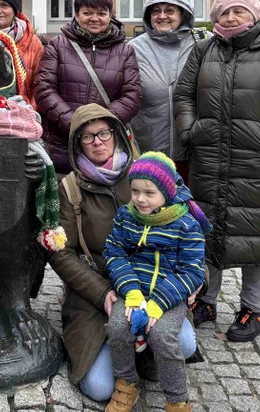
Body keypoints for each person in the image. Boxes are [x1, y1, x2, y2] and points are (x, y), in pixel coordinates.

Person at [174, 0, 260, 342]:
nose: (231, 19)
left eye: (238, 12)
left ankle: (253, 309)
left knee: (256, 236)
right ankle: (206, 300)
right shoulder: (203, 50)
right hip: (210, 158)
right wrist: (190, 130)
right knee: (207, 230)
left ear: (254, 16)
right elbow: (183, 94)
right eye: (224, 13)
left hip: (258, 162)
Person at [49, 105, 198, 403]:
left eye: (103, 132)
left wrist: (197, 280)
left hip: (156, 284)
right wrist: (101, 291)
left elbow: (189, 226)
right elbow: (60, 252)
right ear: (77, 142)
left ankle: (144, 352)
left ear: (116, 133)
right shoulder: (69, 189)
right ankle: (123, 352)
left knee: (185, 344)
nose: (97, 141)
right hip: (100, 289)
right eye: (87, 136)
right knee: (100, 388)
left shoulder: (148, 172)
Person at [102, 152, 210, 412]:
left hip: (169, 296)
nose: (140, 199)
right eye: (135, 191)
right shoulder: (126, 217)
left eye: (149, 192)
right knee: (118, 327)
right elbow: (114, 253)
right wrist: (132, 292)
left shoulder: (186, 224)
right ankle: (127, 383)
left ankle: (176, 399)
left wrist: (159, 302)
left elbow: (192, 271)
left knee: (162, 336)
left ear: (167, 191)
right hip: (134, 291)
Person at [35, 0, 141, 176]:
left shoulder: (125, 52)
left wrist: (100, 126)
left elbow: (132, 95)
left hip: (106, 143)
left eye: (101, 13)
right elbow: (44, 90)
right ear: (76, 14)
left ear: (110, 15)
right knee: (65, 198)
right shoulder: (57, 46)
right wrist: (75, 122)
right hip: (61, 143)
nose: (94, 18)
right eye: (87, 13)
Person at [127, 0, 207, 185]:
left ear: (183, 14)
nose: (162, 16)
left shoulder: (204, 43)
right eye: (156, 11)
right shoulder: (134, 48)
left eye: (169, 10)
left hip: (194, 149)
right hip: (149, 147)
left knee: (190, 206)